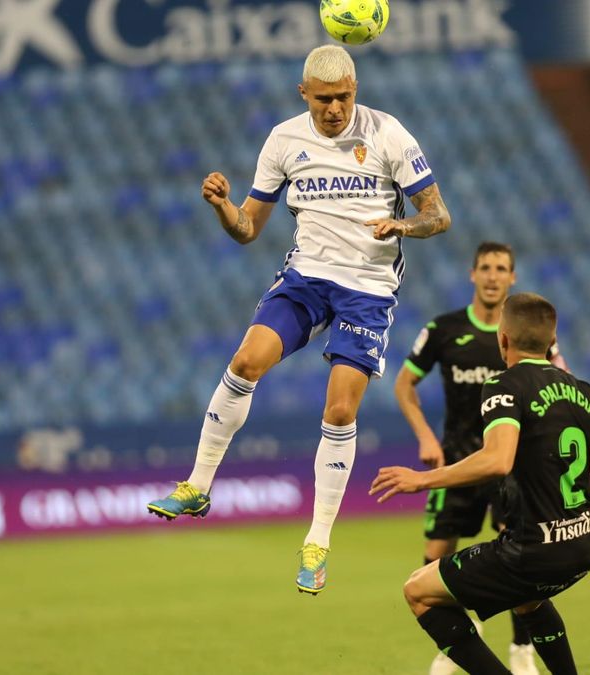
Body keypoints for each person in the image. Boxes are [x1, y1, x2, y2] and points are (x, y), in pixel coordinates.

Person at [146, 44, 451, 595]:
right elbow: (248, 228)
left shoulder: (388, 134)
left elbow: (438, 215)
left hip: (367, 290)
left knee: (338, 408)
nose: (335, 109)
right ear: (302, 94)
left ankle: (317, 541)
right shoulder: (284, 139)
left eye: (343, 97)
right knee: (245, 360)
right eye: (324, 99)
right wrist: (221, 205)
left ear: (355, 89)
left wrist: (401, 227)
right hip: (306, 279)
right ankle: (196, 486)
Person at [371, 292, 590, 674]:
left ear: (503, 339)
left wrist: (423, 480)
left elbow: (497, 460)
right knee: (528, 600)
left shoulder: (503, 386)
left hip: (532, 552)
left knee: (418, 592)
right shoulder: (582, 390)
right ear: (551, 342)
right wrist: (583, 488)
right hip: (582, 546)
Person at [395, 243, 564, 675]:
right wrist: (426, 437)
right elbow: (404, 385)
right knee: (434, 554)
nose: (492, 276)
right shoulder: (445, 329)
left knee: (518, 553)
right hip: (457, 462)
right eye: (485, 268)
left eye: (501, 268)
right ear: (472, 275)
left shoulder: (522, 335)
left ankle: (521, 650)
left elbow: (558, 379)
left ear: (513, 278)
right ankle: (458, 635)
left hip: (512, 466)